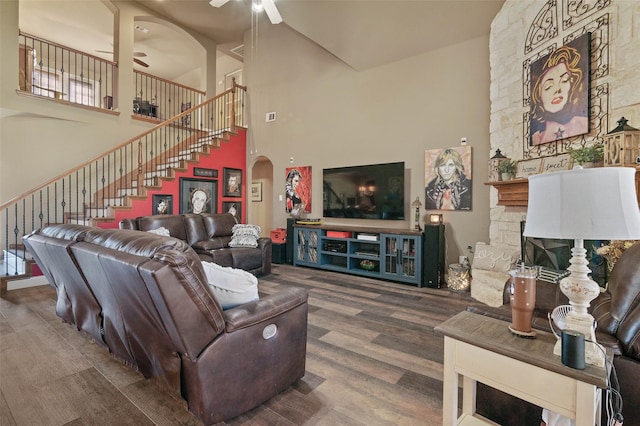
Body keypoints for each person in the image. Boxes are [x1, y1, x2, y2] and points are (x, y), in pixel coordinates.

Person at [530, 45, 588, 146]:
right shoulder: (536, 138)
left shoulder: (584, 124)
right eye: (548, 86)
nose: (557, 89)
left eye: (564, 80)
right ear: (538, 94)